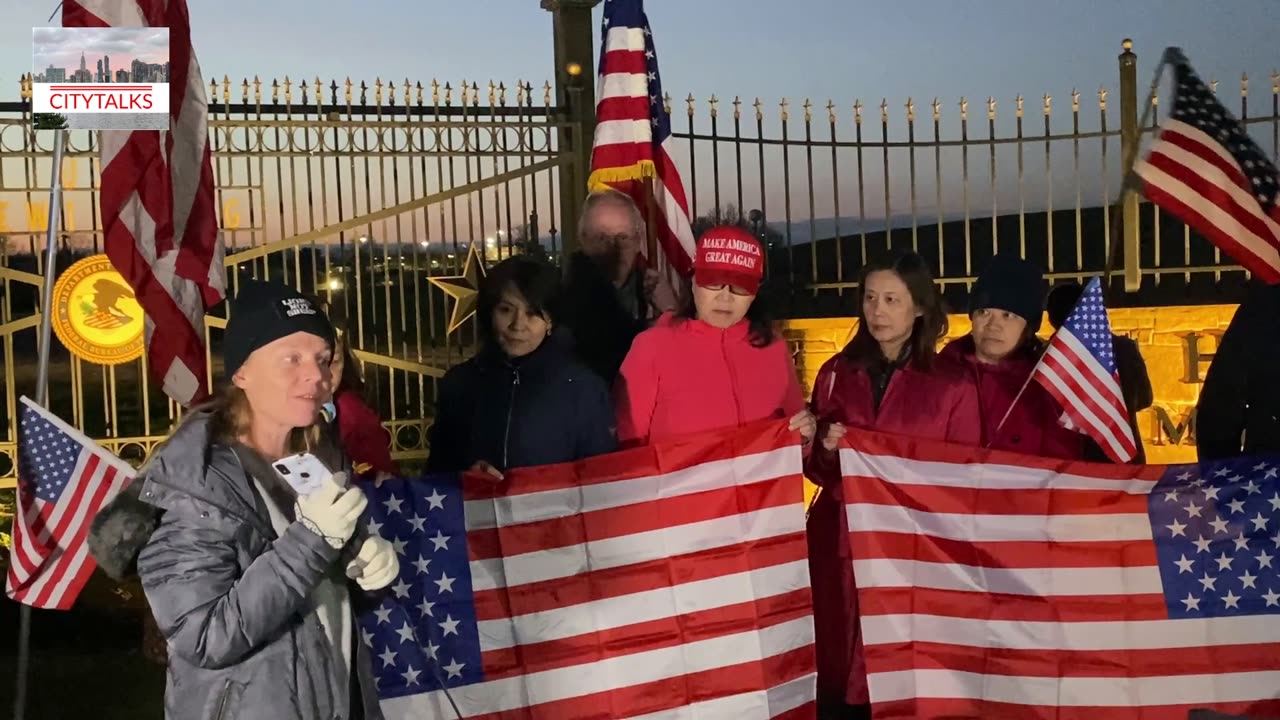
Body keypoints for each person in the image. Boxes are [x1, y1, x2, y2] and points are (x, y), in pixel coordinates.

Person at [87, 279, 398, 720]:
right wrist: (311, 540)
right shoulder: (195, 484)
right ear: (241, 373)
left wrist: (365, 572)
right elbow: (206, 637)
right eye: (291, 358)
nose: (316, 373)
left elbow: (320, 597)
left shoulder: (319, 453)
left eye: (323, 358)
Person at [804, 250, 982, 720]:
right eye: (869, 298)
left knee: (905, 673)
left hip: (912, 549)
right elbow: (817, 470)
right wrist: (823, 446)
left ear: (920, 307)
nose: (877, 311)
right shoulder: (837, 373)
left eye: (891, 299)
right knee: (838, 670)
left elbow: (964, 475)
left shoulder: (951, 384)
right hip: (840, 542)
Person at [613, 224, 816, 447]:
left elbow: (794, 442)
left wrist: (805, 438)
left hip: (760, 482)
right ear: (693, 282)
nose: (725, 297)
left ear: (754, 293)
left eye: (739, 287)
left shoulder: (773, 347)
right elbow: (627, 450)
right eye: (714, 283)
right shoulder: (652, 348)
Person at [425, 255, 617, 478]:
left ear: (551, 321)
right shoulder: (460, 383)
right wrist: (465, 478)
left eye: (532, 313)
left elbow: (602, 482)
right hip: (477, 510)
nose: (518, 325)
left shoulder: (584, 388)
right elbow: (437, 475)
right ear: (489, 313)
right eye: (506, 310)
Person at [939, 254, 1084, 460]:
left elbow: (1062, 468)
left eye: (1008, 315)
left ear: (1028, 328)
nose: (993, 325)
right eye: (984, 312)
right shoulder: (938, 374)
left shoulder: (1047, 389)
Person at [560, 188, 680, 384]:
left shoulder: (649, 289)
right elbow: (603, 353)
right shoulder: (561, 297)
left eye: (623, 237)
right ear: (583, 239)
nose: (613, 247)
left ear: (637, 242)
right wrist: (666, 317)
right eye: (602, 238)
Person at [1047, 281, 1154, 463]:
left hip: (1070, 463)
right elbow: (1145, 398)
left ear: (1052, 319)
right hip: (1123, 458)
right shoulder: (1123, 348)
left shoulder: (1049, 357)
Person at [1196, 277, 1280, 461]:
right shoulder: (1265, 306)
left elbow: (1220, 406)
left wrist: (1222, 478)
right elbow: (1221, 403)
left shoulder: (1264, 305)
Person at [327, 328, 400, 480]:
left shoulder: (351, 412)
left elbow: (380, 472)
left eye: (335, 361)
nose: (327, 373)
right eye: (320, 361)